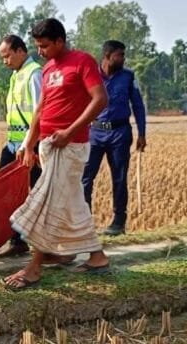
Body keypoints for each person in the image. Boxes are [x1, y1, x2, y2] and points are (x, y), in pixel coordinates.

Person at [1, 19, 110, 290]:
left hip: (70, 146)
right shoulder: (48, 69)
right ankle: (96, 256)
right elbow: (40, 109)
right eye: (38, 46)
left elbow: (100, 99)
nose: (41, 51)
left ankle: (34, 267)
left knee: (48, 203)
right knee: (72, 202)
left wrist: (70, 132)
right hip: (48, 145)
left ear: (60, 41)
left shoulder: (82, 62)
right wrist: (29, 144)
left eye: (45, 46)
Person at [81, 40, 147, 236]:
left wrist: (142, 133)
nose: (123, 59)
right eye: (120, 55)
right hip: (95, 133)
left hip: (120, 133)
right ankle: (84, 222)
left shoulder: (128, 77)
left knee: (119, 177)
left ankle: (119, 222)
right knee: (86, 177)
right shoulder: (91, 74)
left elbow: (138, 106)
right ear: (108, 56)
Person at [0, 34, 43, 258]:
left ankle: (28, 241)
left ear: (20, 50)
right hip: (13, 144)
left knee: (29, 193)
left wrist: (29, 146)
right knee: (6, 192)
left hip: (28, 145)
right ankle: (15, 240)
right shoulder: (16, 75)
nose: (5, 61)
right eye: (2, 57)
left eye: (7, 56)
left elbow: (39, 113)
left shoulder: (34, 74)